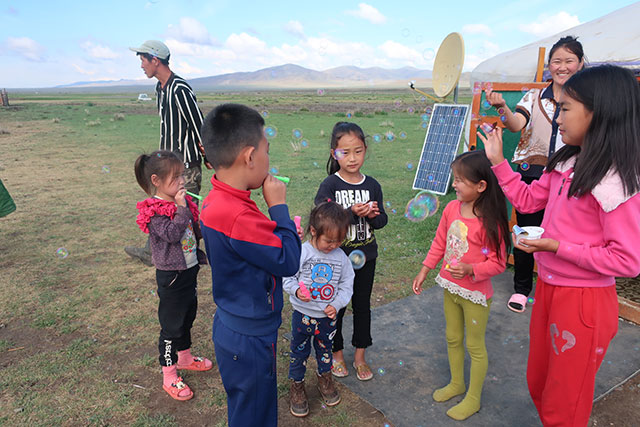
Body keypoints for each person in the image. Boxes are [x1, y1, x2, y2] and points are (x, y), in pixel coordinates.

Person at [479, 65, 640, 426]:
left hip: (584, 302)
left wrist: (556, 247)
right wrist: (499, 163)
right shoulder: (566, 160)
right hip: (549, 289)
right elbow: (528, 200)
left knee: (564, 404)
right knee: (538, 382)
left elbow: (628, 260)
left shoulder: (615, 181)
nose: (557, 116)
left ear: (601, 111)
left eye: (565, 108)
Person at [199, 103, 302, 426]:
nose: (269, 160)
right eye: (266, 150)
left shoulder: (216, 200)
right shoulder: (239, 215)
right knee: (255, 413)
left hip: (233, 325)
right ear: (249, 156)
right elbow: (288, 260)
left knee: (245, 407)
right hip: (251, 335)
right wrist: (279, 209)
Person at [484, 36, 585, 313]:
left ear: (581, 63)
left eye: (569, 61)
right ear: (548, 66)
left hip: (575, 175)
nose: (562, 67)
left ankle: (556, 288)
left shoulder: (588, 97)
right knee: (527, 232)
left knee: (564, 234)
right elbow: (515, 124)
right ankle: (521, 288)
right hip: (535, 173)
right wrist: (502, 108)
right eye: (556, 61)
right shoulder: (534, 96)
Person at [412, 150, 511, 421]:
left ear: (481, 186)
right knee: (452, 338)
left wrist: (471, 269)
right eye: (454, 178)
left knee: (474, 347)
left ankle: (473, 398)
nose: (454, 184)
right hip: (450, 288)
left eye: (460, 180)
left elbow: (499, 263)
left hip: (476, 295)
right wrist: (424, 270)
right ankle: (457, 383)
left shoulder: (490, 221)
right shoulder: (451, 209)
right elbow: (440, 242)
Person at [133, 150, 212, 401]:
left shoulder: (182, 203)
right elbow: (171, 234)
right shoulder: (154, 209)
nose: (182, 181)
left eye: (182, 175)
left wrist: (200, 217)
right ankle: (169, 374)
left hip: (188, 271)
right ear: (156, 180)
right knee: (171, 327)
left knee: (188, 315)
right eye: (175, 177)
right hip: (171, 277)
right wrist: (181, 209)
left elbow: (192, 231)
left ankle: (185, 357)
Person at [125, 40, 211, 266]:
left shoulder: (180, 88)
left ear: (155, 60)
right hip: (167, 163)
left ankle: (192, 255)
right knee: (164, 205)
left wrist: (208, 155)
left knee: (188, 209)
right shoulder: (160, 88)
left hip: (185, 165)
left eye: (143, 60)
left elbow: (198, 124)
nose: (142, 65)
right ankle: (155, 251)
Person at [314, 122, 387, 381]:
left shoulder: (373, 185)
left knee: (362, 305)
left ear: (365, 150)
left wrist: (373, 215)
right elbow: (322, 218)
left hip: (366, 257)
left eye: (358, 151)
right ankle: (337, 355)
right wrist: (350, 212)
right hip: (336, 260)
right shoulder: (330, 185)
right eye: (345, 152)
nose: (352, 158)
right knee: (338, 307)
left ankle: (360, 356)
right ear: (335, 153)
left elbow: (381, 222)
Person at [283, 201, 355, 417]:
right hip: (302, 316)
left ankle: (325, 379)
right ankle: (297, 385)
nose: (334, 245)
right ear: (313, 231)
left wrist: (336, 304)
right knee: (299, 352)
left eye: (339, 241)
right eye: (329, 240)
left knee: (325, 352)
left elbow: (346, 285)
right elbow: (288, 277)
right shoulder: (301, 252)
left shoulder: (341, 259)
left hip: (327, 318)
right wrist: (296, 291)